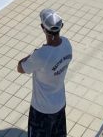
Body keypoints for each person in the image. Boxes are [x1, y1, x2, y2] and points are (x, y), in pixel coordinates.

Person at [16, 9, 73, 137]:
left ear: (43, 28)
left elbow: (20, 68)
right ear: (61, 27)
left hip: (41, 110)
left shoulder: (40, 55)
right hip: (59, 104)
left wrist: (32, 56)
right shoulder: (67, 45)